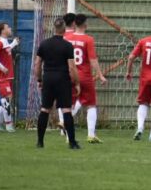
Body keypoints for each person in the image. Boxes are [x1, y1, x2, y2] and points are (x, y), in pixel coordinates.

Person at [34, 18, 81, 149]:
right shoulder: (67, 46)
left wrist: (39, 79)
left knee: (45, 109)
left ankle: (40, 142)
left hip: (48, 78)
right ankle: (72, 143)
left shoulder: (44, 44)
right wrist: (76, 83)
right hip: (62, 79)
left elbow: (37, 64)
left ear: (54, 28)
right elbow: (72, 67)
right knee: (66, 109)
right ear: (64, 30)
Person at [65, 14, 108, 144]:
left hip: (70, 75)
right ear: (84, 24)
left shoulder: (66, 38)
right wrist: (100, 74)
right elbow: (92, 59)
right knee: (91, 105)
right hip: (84, 76)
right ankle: (90, 135)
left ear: (74, 24)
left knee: (70, 106)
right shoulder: (88, 39)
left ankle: (68, 136)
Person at [0, 22, 18, 132]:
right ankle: (9, 125)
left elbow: (7, 50)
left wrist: (14, 43)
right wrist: (1, 67)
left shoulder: (4, 42)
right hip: (2, 77)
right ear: (2, 31)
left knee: (5, 100)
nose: (10, 28)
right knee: (7, 99)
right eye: (8, 27)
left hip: (8, 76)